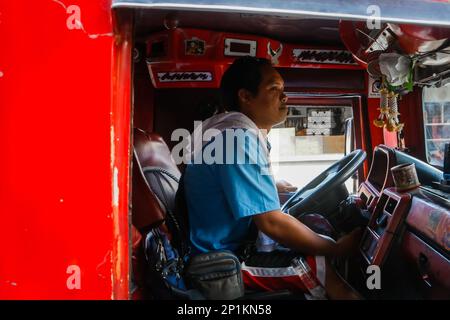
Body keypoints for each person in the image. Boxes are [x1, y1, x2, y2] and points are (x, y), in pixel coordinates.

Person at [183, 56, 361, 299]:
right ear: (245, 97)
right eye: (274, 89)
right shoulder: (237, 138)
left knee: (313, 229)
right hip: (222, 257)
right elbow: (271, 222)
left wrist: (272, 186)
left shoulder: (228, 131)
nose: (284, 97)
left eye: (283, 89)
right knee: (320, 268)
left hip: (232, 244)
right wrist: (337, 248)